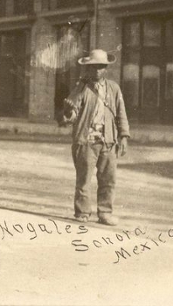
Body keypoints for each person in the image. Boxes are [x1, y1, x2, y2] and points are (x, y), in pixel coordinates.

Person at [61, 49, 130, 226]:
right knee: (84, 178)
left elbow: (121, 112)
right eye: (93, 67)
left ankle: (105, 212)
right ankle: (82, 212)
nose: (97, 70)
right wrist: (69, 111)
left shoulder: (113, 88)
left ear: (105, 68)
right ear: (88, 69)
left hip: (108, 140)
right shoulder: (81, 88)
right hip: (86, 140)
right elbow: (72, 115)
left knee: (108, 178)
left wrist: (123, 136)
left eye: (101, 67)